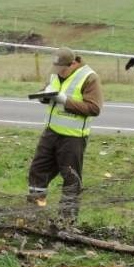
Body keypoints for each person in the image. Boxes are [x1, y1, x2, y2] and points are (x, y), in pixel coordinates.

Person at [27, 47, 103, 223]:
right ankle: (34, 213)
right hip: (51, 132)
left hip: (73, 138)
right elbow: (47, 89)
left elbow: (94, 108)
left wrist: (65, 101)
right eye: (56, 68)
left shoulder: (89, 77)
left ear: (73, 63)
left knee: (71, 179)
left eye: (62, 69)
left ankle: (67, 221)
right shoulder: (56, 72)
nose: (58, 72)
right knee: (37, 171)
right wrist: (44, 96)